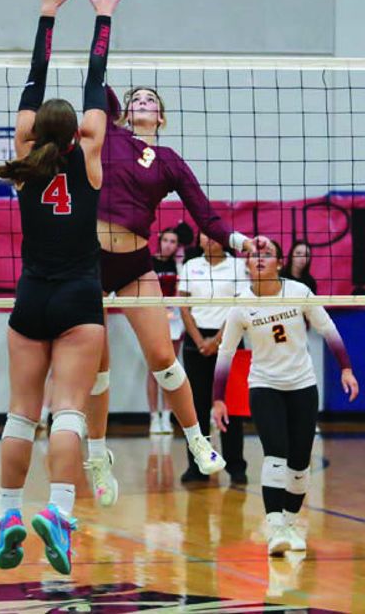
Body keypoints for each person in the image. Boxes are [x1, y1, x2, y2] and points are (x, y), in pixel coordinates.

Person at [0, 0, 121, 575]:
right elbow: (96, 84)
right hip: (78, 299)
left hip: (29, 299)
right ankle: (60, 515)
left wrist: (48, 11)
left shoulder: (23, 151)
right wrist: (104, 17)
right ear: (81, 135)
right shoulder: (92, 154)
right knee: (69, 409)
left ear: (35, 131)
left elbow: (32, 79)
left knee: (22, 411)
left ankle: (8, 515)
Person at [85, 80, 257, 505]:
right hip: (88, 261)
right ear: (126, 113)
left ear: (160, 117)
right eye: (135, 99)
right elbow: (96, 87)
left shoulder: (168, 161)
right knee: (97, 368)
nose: (143, 102)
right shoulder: (110, 134)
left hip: (134, 263)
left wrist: (238, 242)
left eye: (151, 101)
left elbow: (206, 215)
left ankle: (198, 441)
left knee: (163, 357)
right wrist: (101, 22)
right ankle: (97, 458)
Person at [212, 238, 359, 555]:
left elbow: (328, 329)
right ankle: (275, 525)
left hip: (302, 384)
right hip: (265, 385)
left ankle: (290, 523)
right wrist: (218, 398)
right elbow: (225, 354)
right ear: (247, 265)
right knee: (275, 453)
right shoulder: (241, 305)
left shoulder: (299, 292)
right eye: (253, 255)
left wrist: (346, 369)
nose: (259, 258)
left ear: (279, 262)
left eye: (267, 254)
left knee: (300, 463)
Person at [178, 232, 248, 484]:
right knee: (196, 405)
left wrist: (218, 340)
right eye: (205, 236)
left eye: (214, 235)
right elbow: (183, 306)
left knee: (231, 405)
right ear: (198, 240)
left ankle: (236, 467)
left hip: (230, 337)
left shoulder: (238, 266)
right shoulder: (190, 266)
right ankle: (197, 466)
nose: (210, 240)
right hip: (195, 341)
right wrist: (199, 341)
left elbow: (239, 305)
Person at [148, 228, 183, 435]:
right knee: (153, 370)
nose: (169, 244)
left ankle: (167, 417)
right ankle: (154, 417)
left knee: (171, 368)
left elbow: (181, 291)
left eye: (173, 241)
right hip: (153, 318)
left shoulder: (178, 265)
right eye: (166, 240)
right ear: (160, 241)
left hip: (174, 319)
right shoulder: (149, 263)